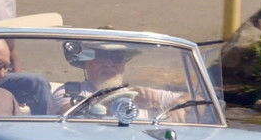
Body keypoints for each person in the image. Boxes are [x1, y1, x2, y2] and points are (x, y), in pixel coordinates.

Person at [51, 42, 193, 121]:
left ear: (124, 64)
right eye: (101, 57)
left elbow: (198, 99)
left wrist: (178, 105)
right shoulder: (71, 92)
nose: (109, 64)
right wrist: (119, 101)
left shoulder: (140, 94)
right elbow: (70, 115)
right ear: (87, 63)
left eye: (116, 58)